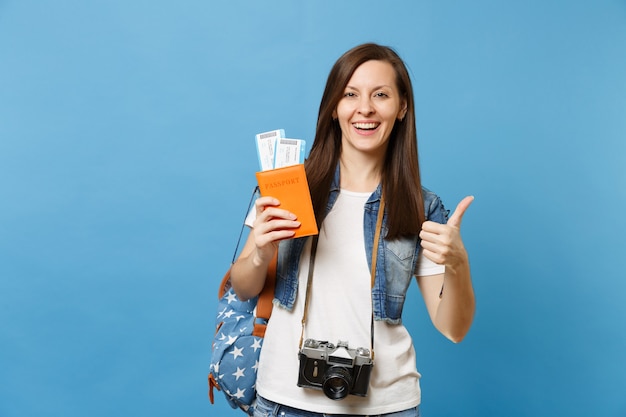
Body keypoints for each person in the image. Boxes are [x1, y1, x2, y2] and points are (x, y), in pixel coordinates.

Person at [230, 43, 475, 417]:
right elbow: (244, 286)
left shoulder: (421, 208)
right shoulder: (289, 187)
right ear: (334, 108)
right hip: (285, 401)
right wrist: (262, 251)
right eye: (350, 94)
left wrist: (459, 264)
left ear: (402, 107)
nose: (365, 108)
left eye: (381, 95)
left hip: (386, 406)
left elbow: (453, 329)